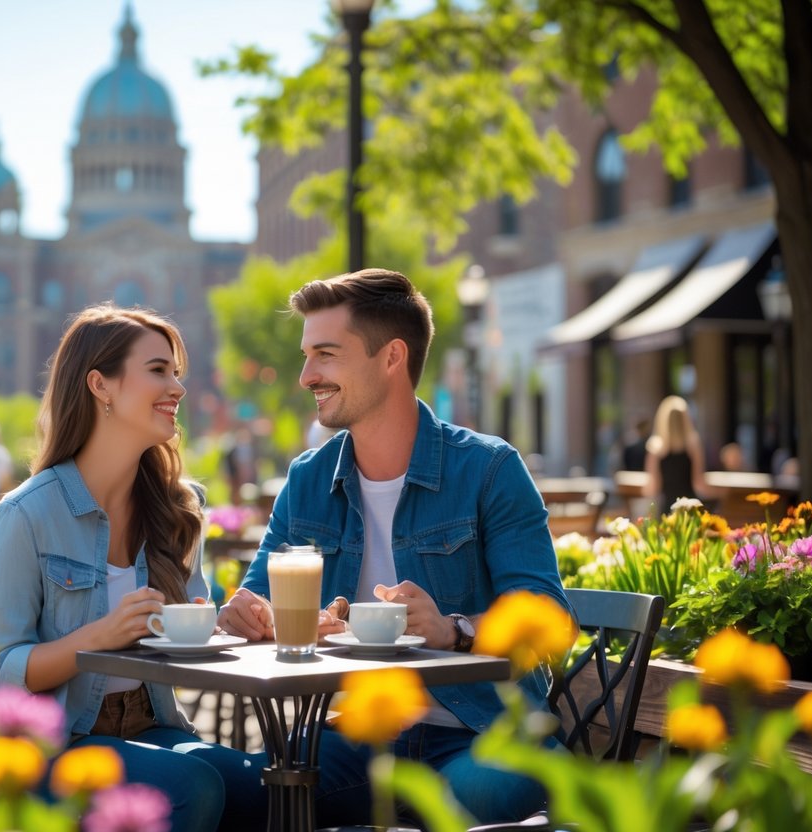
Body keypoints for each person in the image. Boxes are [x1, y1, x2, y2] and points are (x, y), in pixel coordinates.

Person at [216, 268, 572, 826]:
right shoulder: (307, 479)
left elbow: (550, 619)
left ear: (391, 358)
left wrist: (454, 631)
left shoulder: (488, 468)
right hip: (363, 737)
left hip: (485, 736)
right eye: (307, 356)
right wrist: (246, 613)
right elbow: (256, 598)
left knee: (466, 801)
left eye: (326, 354)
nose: (307, 375)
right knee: (239, 797)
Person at [0, 304, 266, 832]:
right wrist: (100, 637)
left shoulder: (179, 508)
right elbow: (1, 671)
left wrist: (229, 624)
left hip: (151, 724)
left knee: (263, 782)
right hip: (52, 747)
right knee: (194, 788)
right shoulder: (25, 514)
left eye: (176, 371)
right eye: (158, 370)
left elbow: (186, 635)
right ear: (101, 385)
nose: (177, 387)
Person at [643, 395, 714, 515]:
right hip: (690, 508)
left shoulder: (655, 449)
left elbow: (652, 488)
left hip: (667, 509)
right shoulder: (693, 446)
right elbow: (699, 483)